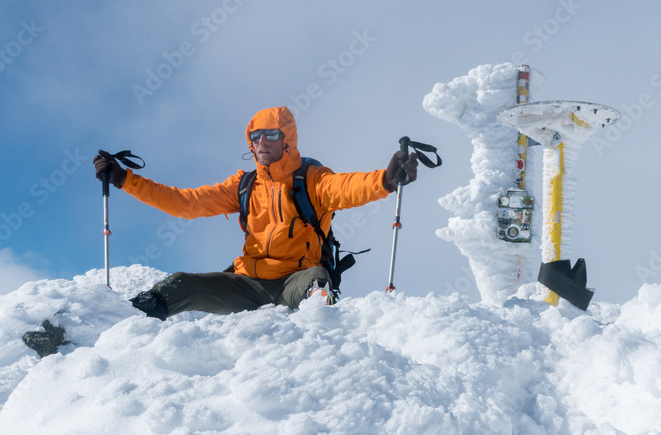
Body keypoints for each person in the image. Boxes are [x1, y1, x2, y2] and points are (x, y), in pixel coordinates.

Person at [93, 105, 420, 320]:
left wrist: (386, 180)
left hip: (296, 280)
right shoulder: (244, 185)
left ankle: (324, 351)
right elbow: (186, 203)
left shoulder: (313, 180)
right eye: (255, 136)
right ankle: (120, 325)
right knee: (176, 285)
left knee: (318, 284)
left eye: (271, 134)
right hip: (247, 285)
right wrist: (126, 180)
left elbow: (348, 187)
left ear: (287, 139)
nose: (262, 141)